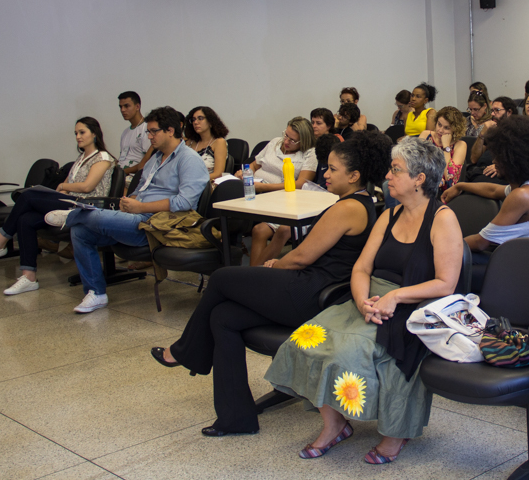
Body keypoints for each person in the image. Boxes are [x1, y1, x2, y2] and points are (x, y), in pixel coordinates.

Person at [150, 132, 392, 437]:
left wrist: (275, 264)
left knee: (223, 277)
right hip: (313, 287)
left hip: (312, 293)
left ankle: (186, 352)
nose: (325, 174)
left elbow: (301, 257)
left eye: (332, 169)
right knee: (223, 317)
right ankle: (235, 418)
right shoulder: (359, 202)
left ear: (354, 175)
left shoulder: (348, 208)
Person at [264, 138, 463, 464]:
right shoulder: (390, 214)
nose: (388, 176)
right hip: (370, 297)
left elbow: (446, 283)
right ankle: (335, 424)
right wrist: (360, 300)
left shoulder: (442, 219)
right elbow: (362, 267)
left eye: (396, 170)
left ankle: (394, 432)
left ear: (419, 179)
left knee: (348, 351)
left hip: (414, 303)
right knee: (304, 340)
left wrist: (395, 296)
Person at [63, 107, 207, 313]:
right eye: (148, 132)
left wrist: (141, 207)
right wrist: (129, 202)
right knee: (80, 231)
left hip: (156, 225)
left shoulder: (189, 159)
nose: (149, 136)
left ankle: (68, 216)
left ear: (170, 131)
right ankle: (96, 293)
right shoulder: (156, 159)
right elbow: (139, 190)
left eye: (153, 131)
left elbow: (184, 202)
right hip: (136, 217)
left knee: (90, 216)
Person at [0, 118, 115, 296]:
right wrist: (60, 190)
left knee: (29, 196)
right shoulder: (81, 159)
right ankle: (28, 277)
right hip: (70, 202)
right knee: (26, 219)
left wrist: (62, 187)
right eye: (76, 133)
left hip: (86, 206)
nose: (78, 136)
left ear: (94, 133)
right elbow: (69, 184)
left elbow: (87, 187)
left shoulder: (103, 157)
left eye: (82, 132)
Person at [441, 115, 529, 254]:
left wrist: (440, 247)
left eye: (500, 157)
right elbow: (493, 190)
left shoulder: (523, 195)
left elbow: (480, 242)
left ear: (515, 160)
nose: (494, 161)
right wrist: (460, 186)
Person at [248, 117, 319, 266]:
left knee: (260, 230)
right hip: (256, 194)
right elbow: (255, 165)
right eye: (286, 135)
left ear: (303, 141)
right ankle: (253, 275)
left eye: (293, 140)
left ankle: (253, 273)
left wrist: (264, 187)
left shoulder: (310, 153)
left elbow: (300, 184)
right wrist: (245, 174)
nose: (286, 141)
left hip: (284, 201)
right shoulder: (275, 142)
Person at [418, 106, 467, 195]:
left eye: (446, 128)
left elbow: (450, 180)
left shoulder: (460, 145)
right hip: (422, 180)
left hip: (443, 191)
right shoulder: (426, 135)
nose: (440, 130)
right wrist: (433, 177)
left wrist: (446, 147)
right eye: (439, 124)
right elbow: (415, 163)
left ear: (455, 129)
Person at [469, 97, 517, 181]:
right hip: (479, 170)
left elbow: (519, 160)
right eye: (492, 111)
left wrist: (501, 166)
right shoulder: (493, 130)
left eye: (497, 110)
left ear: (509, 112)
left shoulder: (518, 132)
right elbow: (474, 159)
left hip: (499, 174)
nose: (493, 114)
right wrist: (482, 134)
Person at [184, 106, 229, 180]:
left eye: (200, 118)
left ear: (210, 122)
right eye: (193, 119)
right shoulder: (190, 142)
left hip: (206, 185)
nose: (195, 122)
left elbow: (218, 174)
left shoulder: (219, 142)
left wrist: (195, 180)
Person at [117, 91, 150, 182]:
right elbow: (123, 158)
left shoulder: (147, 128)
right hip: (120, 175)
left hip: (134, 178)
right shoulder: (125, 132)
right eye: (121, 107)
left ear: (137, 107)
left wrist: (123, 171)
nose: (123, 110)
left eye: (126, 106)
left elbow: (149, 161)